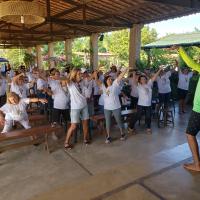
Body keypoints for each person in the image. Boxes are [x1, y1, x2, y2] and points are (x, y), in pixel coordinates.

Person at [94, 67, 130, 143]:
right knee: (108, 122)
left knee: (118, 120)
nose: (110, 80)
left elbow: (120, 77)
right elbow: (97, 81)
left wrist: (126, 69)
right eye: (108, 79)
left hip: (116, 107)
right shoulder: (103, 87)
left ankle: (122, 133)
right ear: (105, 81)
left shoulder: (115, 85)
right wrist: (95, 75)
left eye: (111, 79)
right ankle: (108, 136)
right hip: (107, 108)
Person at [128, 67, 163, 134]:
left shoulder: (149, 84)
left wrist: (159, 70)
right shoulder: (138, 86)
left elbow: (155, 76)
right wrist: (134, 73)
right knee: (137, 116)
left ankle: (148, 128)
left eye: (144, 79)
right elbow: (134, 81)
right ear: (140, 81)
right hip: (140, 104)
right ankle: (130, 127)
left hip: (148, 104)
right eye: (141, 79)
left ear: (146, 79)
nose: (143, 80)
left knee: (148, 116)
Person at [64, 68, 90, 149]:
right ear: (74, 75)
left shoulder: (82, 82)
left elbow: (90, 77)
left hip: (84, 106)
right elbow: (65, 79)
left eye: (81, 73)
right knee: (73, 126)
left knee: (85, 124)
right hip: (75, 108)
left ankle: (85, 139)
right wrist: (57, 77)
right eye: (79, 74)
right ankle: (66, 142)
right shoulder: (71, 83)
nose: (81, 75)